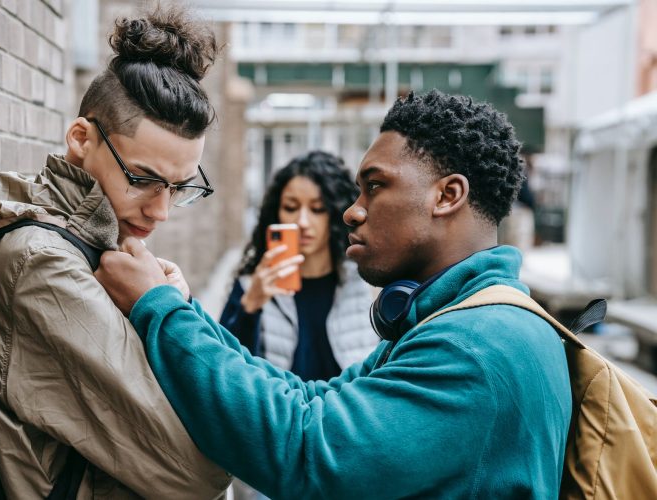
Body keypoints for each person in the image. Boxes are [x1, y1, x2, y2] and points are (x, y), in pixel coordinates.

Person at [95, 90, 572, 499]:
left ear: (447, 196)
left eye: (375, 187)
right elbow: (311, 398)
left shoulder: (475, 345)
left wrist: (156, 309)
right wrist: (183, 310)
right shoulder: (456, 318)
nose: (352, 212)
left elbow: (307, 449)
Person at [0, 5, 230, 498]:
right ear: (81, 139)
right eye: (143, 179)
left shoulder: (94, 249)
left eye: (180, 187)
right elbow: (201, 473)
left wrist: (164, 303)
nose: (161, 211)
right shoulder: (43, 264)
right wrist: (161, 313)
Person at [220, 151, 377, 381]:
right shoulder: (251, 284)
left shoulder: (367, 281)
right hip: (279, 415)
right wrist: (250, 306)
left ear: (335, 213)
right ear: (276, 212)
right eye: (291, 207)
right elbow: (223, 370)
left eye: (317, 209)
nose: (302, 222)